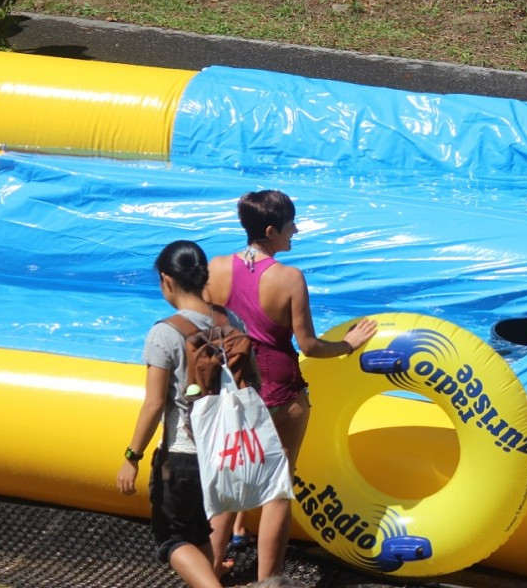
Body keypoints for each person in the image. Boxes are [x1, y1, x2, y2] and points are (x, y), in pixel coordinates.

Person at [204, 189, 378, 579]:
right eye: (289, 225)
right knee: (276, 489)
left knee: (229, 486)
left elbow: (210, 331)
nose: (295, 230)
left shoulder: (214, 269)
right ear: (270, 231)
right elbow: (310, 346)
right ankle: (269, 582)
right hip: (280, 390)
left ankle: (211, 572)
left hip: (235, 389)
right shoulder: (289, 278)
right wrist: (348, 344)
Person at [116, 240, 241, 588]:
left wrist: (132, 456)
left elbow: (155, 403)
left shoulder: (165, 332)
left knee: (171, 538)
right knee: (199, 532)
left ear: (167, 280)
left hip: (184, 455)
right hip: (227, 451)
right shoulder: (231, 321)